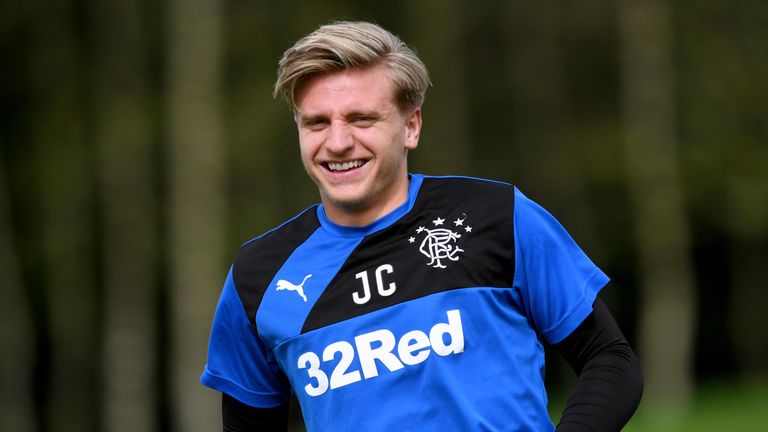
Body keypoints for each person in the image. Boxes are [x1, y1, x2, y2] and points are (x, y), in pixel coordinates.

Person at [201, 21, 643, 431]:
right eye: (317, 123)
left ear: (410, 126)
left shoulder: (496, 215)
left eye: (361, 119)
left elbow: (609, 360)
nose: (337, 143)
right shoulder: (258, 274)